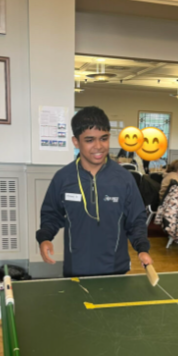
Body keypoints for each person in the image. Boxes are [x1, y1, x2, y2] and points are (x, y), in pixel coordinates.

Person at [36, 107, 153, 277]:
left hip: (115, 268)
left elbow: (136, 220)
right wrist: (45, 237)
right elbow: (51, 214)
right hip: (76, 268)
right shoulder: (63, 178)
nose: (98, 146)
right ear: (76, 142)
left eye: (104, 138)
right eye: (89, 140)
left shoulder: (124, 179)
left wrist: (142, 249)